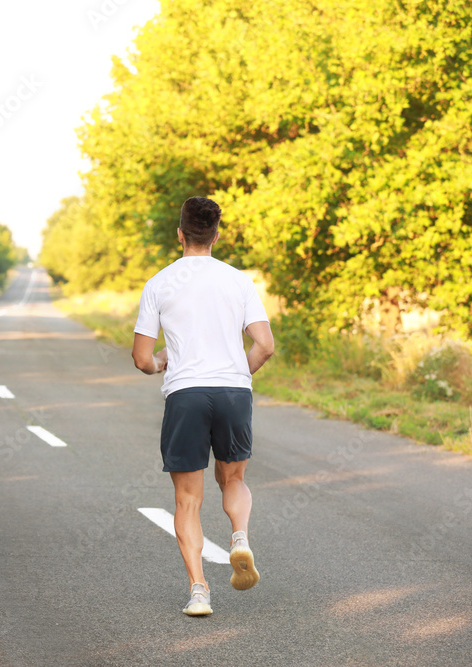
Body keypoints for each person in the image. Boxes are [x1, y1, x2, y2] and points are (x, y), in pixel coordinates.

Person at [131, 196, 274, 616]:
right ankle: (240, 537)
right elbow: (264, 345)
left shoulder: (158, 284)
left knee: (187, 500)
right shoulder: (238, 280)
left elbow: (143, 358)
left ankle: (198, 592)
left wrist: (161, 363)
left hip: (186, 395)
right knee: (233, 480)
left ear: (180, 234)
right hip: (232, 391)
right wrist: (238, 374)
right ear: (217, 235)